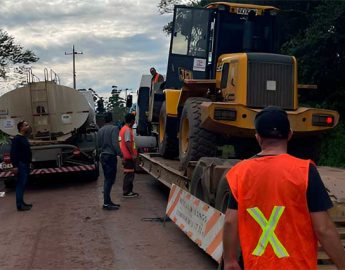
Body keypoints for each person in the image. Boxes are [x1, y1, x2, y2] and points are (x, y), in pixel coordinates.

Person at [223, 106, 345, 270]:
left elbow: (231, 221)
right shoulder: (305, 171)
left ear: (258, 137)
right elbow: (323, 229)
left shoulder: (240, 172)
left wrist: (230, 260)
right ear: (290, 134)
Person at [97, 112, 122, 210]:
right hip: (110, 156)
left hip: (103, 156)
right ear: (112, 119)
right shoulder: (114, 128)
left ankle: (108, 200)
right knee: (109, 180)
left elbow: (98, 144)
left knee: (108, 179)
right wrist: (121, 154)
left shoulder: (100, 130)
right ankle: (106, 203)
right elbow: (115, 144)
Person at [10, 120, 32, 211]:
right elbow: (13, 153)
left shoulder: (23, 138)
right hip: (20, 164)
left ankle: (22, 203)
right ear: (21, 128)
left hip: (25, 164)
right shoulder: (17, 139)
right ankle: (19, 205)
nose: (28, 126)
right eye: (26, 125)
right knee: (20, 184)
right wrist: (15, 166)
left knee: (23, 184)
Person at [119, 113, 139, 198]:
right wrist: (132, 154)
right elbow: (127, 142)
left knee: (129, 174)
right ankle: (127, 192)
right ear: (132, 121)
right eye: (134, 120)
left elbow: (121, 143)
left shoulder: (122, 129)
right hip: (128, 156)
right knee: (129, 174)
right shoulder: (127, 130)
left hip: (125, 156)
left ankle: (129, 191)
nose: (134, 122)